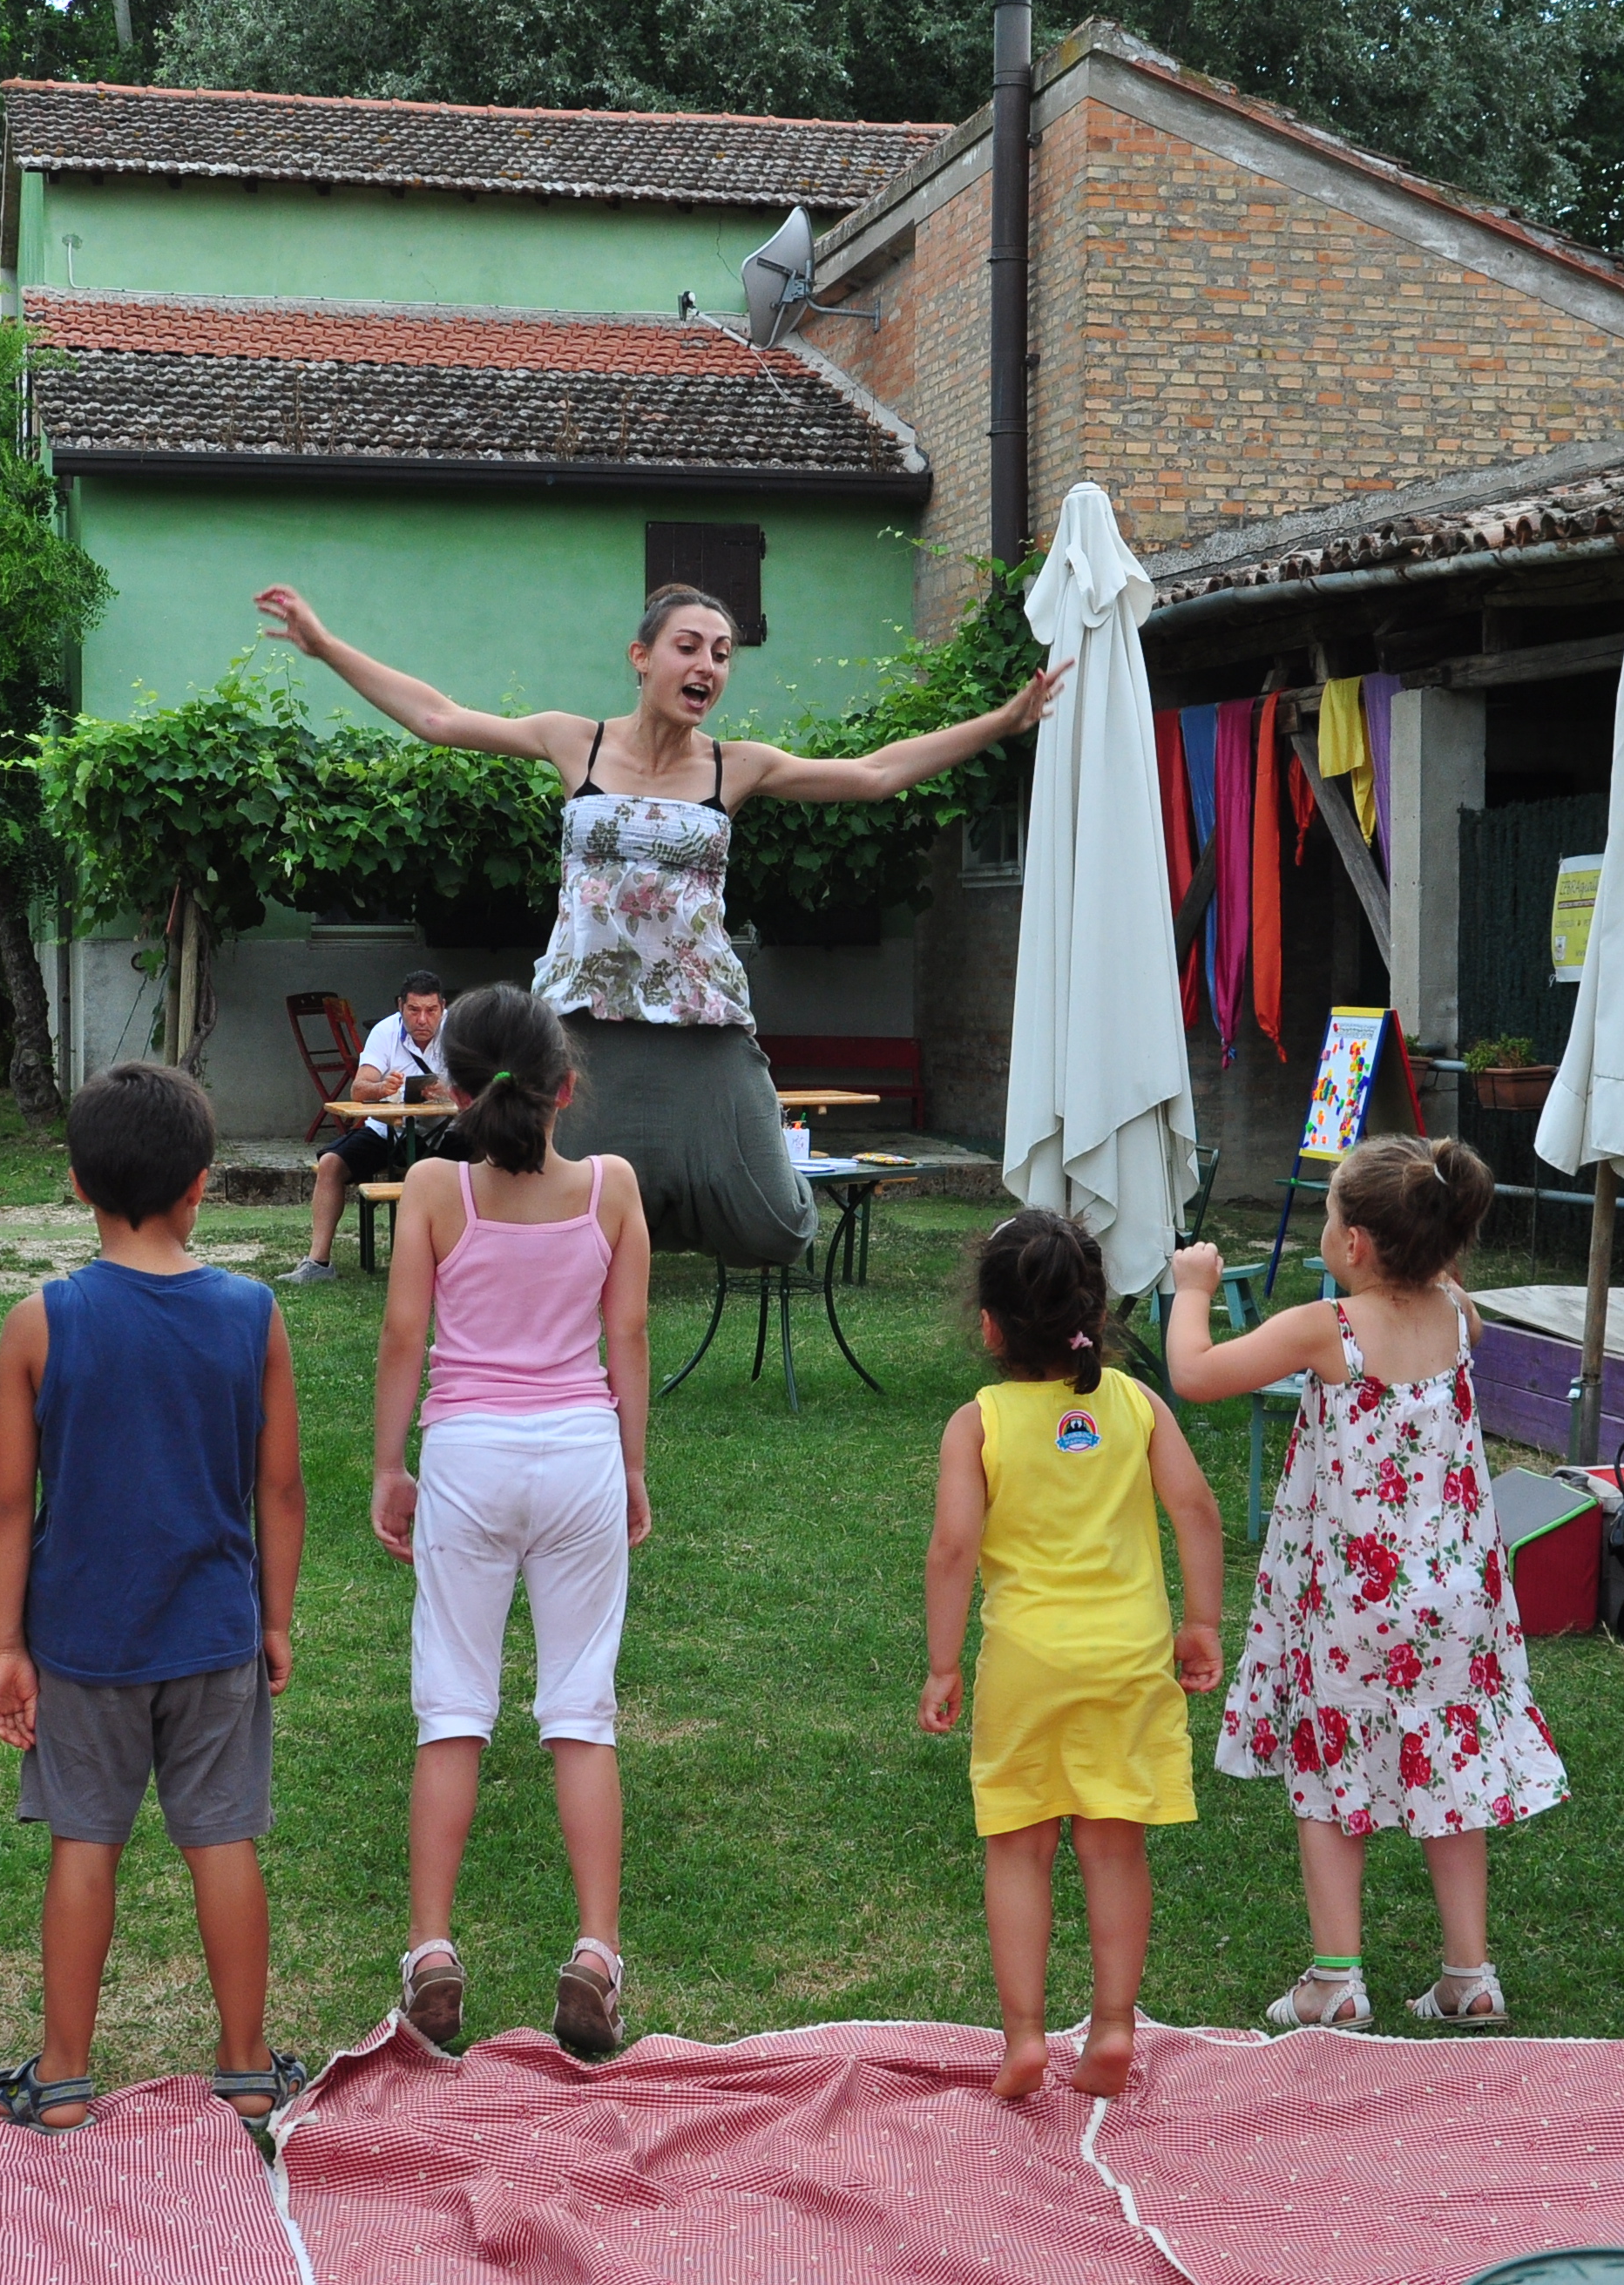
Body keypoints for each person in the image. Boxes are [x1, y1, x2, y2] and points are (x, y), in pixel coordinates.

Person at [253, 580, 1063, 1267]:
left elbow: (877, 773)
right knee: (541, 1227)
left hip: (700, 1024)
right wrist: (326, 647)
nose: (707, 663)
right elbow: (436, 716)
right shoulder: (576, 742)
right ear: (642, 658)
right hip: (579, 1029)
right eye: (688, 645)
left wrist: (1003, 719)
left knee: (779, 1228)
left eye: (721, 652)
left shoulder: (735, 766)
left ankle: (641, 1223)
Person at [0, 1061, 308, 2140]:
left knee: (85, 1845)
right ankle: (247, 2069)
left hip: (79, 1640)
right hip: (214, 1634)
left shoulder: (40, 1320)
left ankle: (64, 2079)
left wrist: (3, 1645)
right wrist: (273, 1620)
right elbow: (283, 1488)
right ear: (200, 1185)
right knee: (223, 1843)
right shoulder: (253, 1314)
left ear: (76, 1183)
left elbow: (6, 1503)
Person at [1171, 1135, 1564, 2033]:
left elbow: (1194, 1374)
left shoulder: (1330, 1329)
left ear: (1354, 1245)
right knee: (1454, 1772)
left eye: (1330, 1211)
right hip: (1456, 1604)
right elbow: (1447, 1283)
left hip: (1353, 1604)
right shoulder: (1459, 1314)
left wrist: (1193, 1289)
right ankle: (1469, 1974)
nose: (1325, 1222)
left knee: (1329, 1767)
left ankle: (1335, 1979)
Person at [369, 986, 652, 2060]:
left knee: (453, 1707)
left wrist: (391, 1463)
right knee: (581, 1708)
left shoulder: (434, 1189)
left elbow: (406, 1337)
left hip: (469, 1458)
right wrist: (629, 1466)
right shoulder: (611, 1187)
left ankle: (433, 1952)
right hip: (578, 1452)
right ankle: (595, 1955)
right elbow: (625, 1336)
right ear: (563, 1089)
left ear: (448, 1086)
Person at [921, 1211, 1225, 2099]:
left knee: (1016, 1848)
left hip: (1024, 1664)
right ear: (1094, 1306)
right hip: (1128, 1660)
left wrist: (943, 1665)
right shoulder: (1136, 1404)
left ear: (989, 1325)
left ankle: (1021, 2036)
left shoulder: (975, 1424)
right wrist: (1199, 1622)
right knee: (1112, 1847)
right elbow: (1197, 1512)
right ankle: (1114, 2025)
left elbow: (951, 1550)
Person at [286, 969, 452, 1287]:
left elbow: (481, 1083)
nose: (422, 1020)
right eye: (414, 1010)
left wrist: (450, 1089)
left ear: (443, 1007)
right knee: (330, 1164)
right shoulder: (385, 1031)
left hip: (444, 1130)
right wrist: (383, 1088)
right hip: (387, 1131)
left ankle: (468, 1258)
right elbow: (359, 1089)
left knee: (483, 1159)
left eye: (431, 1011)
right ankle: (318, 1262)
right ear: (400, 1006)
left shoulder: (458, 1030)